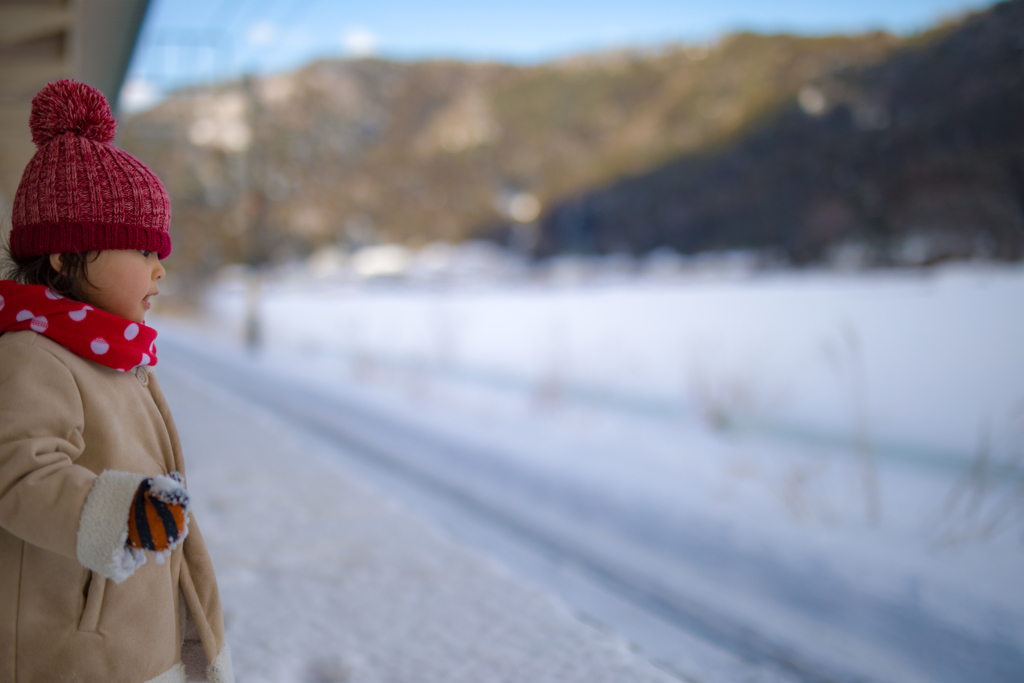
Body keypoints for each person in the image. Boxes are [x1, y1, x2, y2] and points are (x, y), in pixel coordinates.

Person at [0, 80, 233, 683]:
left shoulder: (114, 356)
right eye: (139, 247)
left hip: (130, 646)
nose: (160, 266)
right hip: (69, 656)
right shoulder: (34, 354)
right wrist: (121, 512)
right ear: (63, 253)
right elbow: (19, 474)